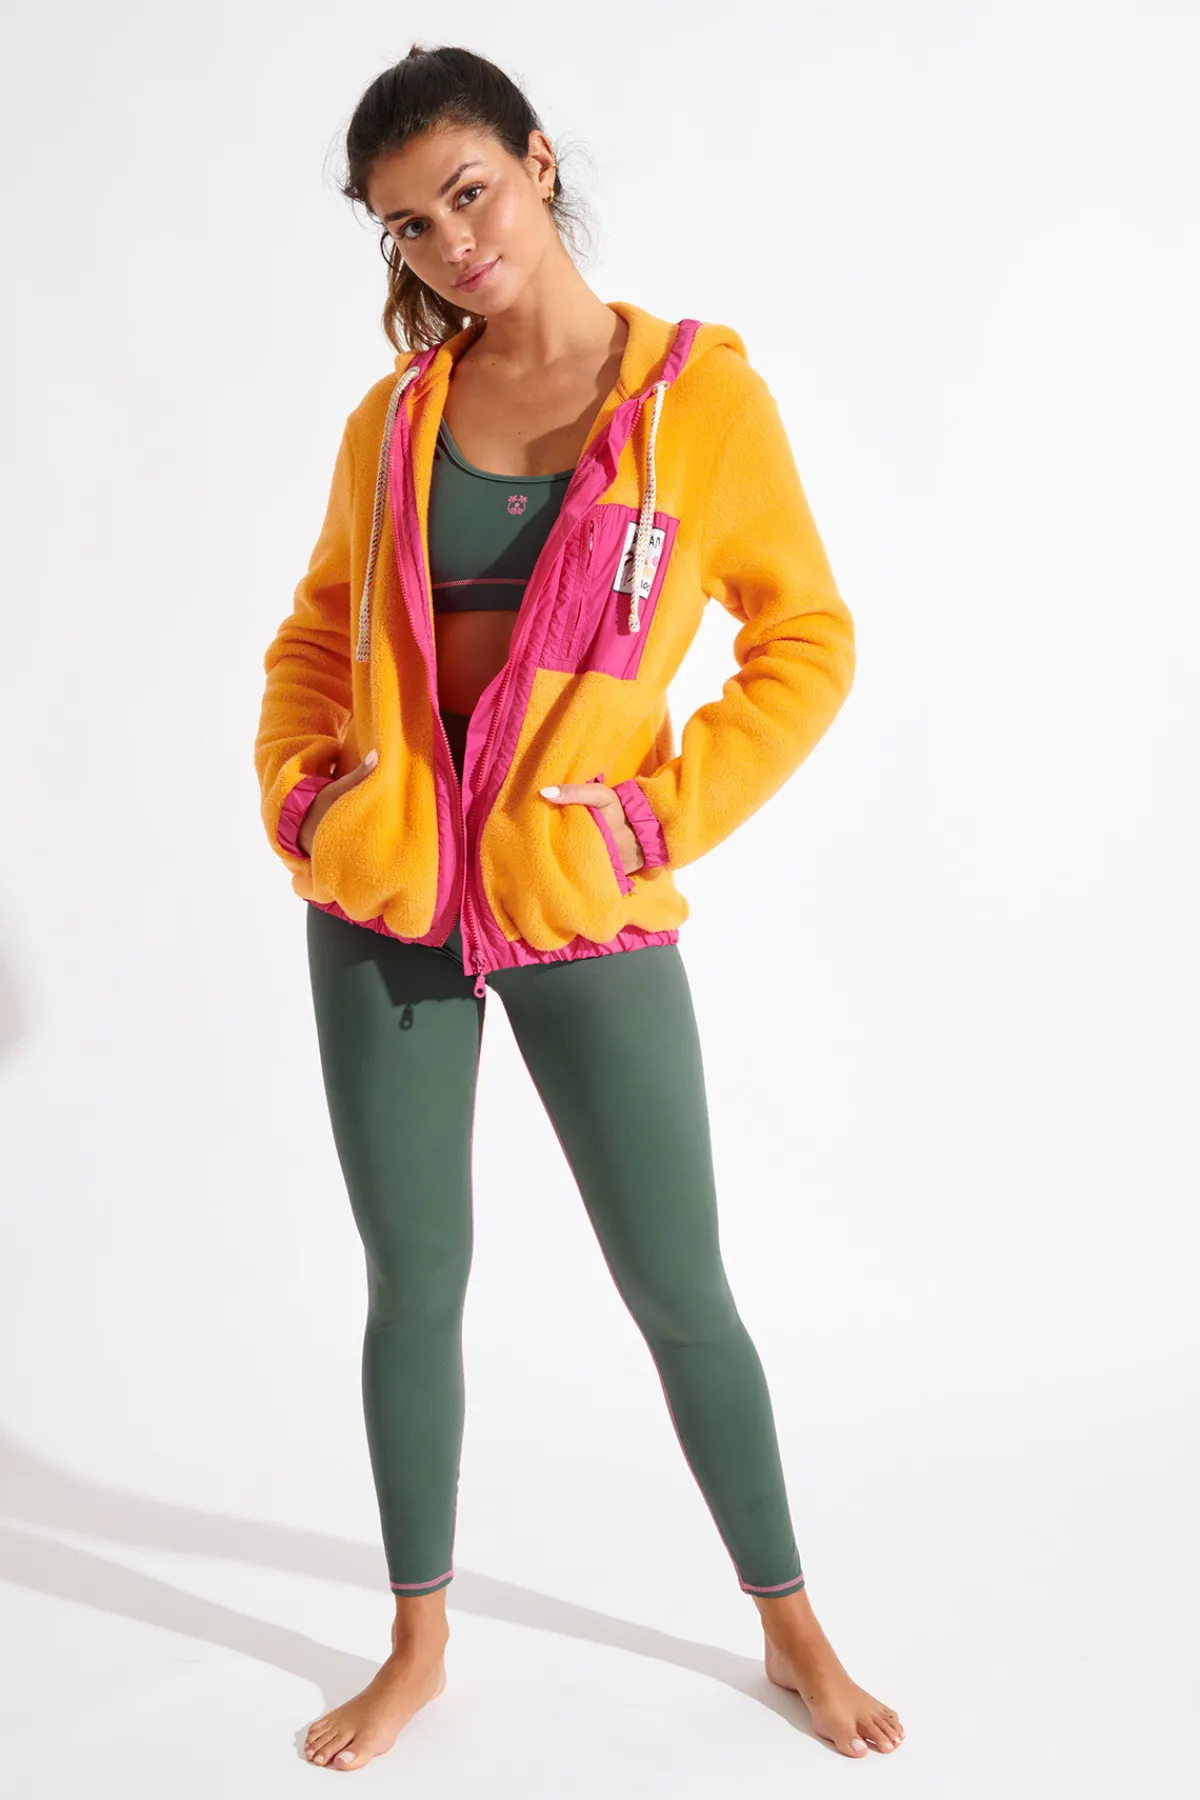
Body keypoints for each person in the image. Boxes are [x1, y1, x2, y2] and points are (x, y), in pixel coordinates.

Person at [254, 40, 903, 1774]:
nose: (451, 242)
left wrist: (653, 814)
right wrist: (311, 795)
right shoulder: (394, 422)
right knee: (414, 1285)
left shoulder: (697, 402)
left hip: (580, 901)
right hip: (386, 907)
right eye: (409, 226)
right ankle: (415, 1645)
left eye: (468, 192)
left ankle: (791, 1625)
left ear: (537, 163)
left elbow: (807, 641)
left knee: (681, 1288)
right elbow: (317, 633)